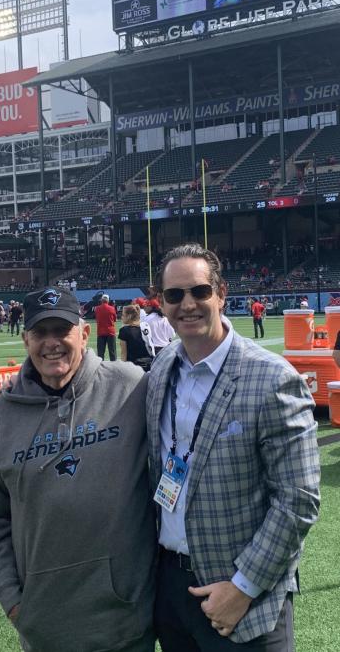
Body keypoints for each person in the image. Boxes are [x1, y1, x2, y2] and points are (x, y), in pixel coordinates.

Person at [147, 244, 320, 651]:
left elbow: (298, 499)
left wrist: (243, 587)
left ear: (221, 293)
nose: (187, 304)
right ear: (161, 302)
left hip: (244, 598)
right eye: (174, 295)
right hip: (171, 588)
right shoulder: (161, 369)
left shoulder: (272, 377)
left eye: (199, 291)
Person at [0, 287, 156, 652]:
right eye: (41, 333)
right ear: (26, 340)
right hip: (44, 627)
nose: (51, 343)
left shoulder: (130, 387)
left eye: (62, 331)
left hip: (126, 622)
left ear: (84, 334)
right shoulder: (1, 415)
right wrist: (11, 598)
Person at [118, 304, 155, 371]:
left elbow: (123, 354)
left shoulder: (124, 330)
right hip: (149, 364)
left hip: (133, 367)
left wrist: (122, 370)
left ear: (129, 316)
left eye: (123, 315)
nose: (121, 317)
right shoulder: (145, 326)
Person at [95, 293, 117, 360]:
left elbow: (97, 318)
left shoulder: (97, 308)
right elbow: (115, 319)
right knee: (112, 352)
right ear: (108, 300)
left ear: (101, 300)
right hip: (110, 332)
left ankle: (100, 368)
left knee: (100, 353)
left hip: (100, 332)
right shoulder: (112, 308)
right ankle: (114, 367)